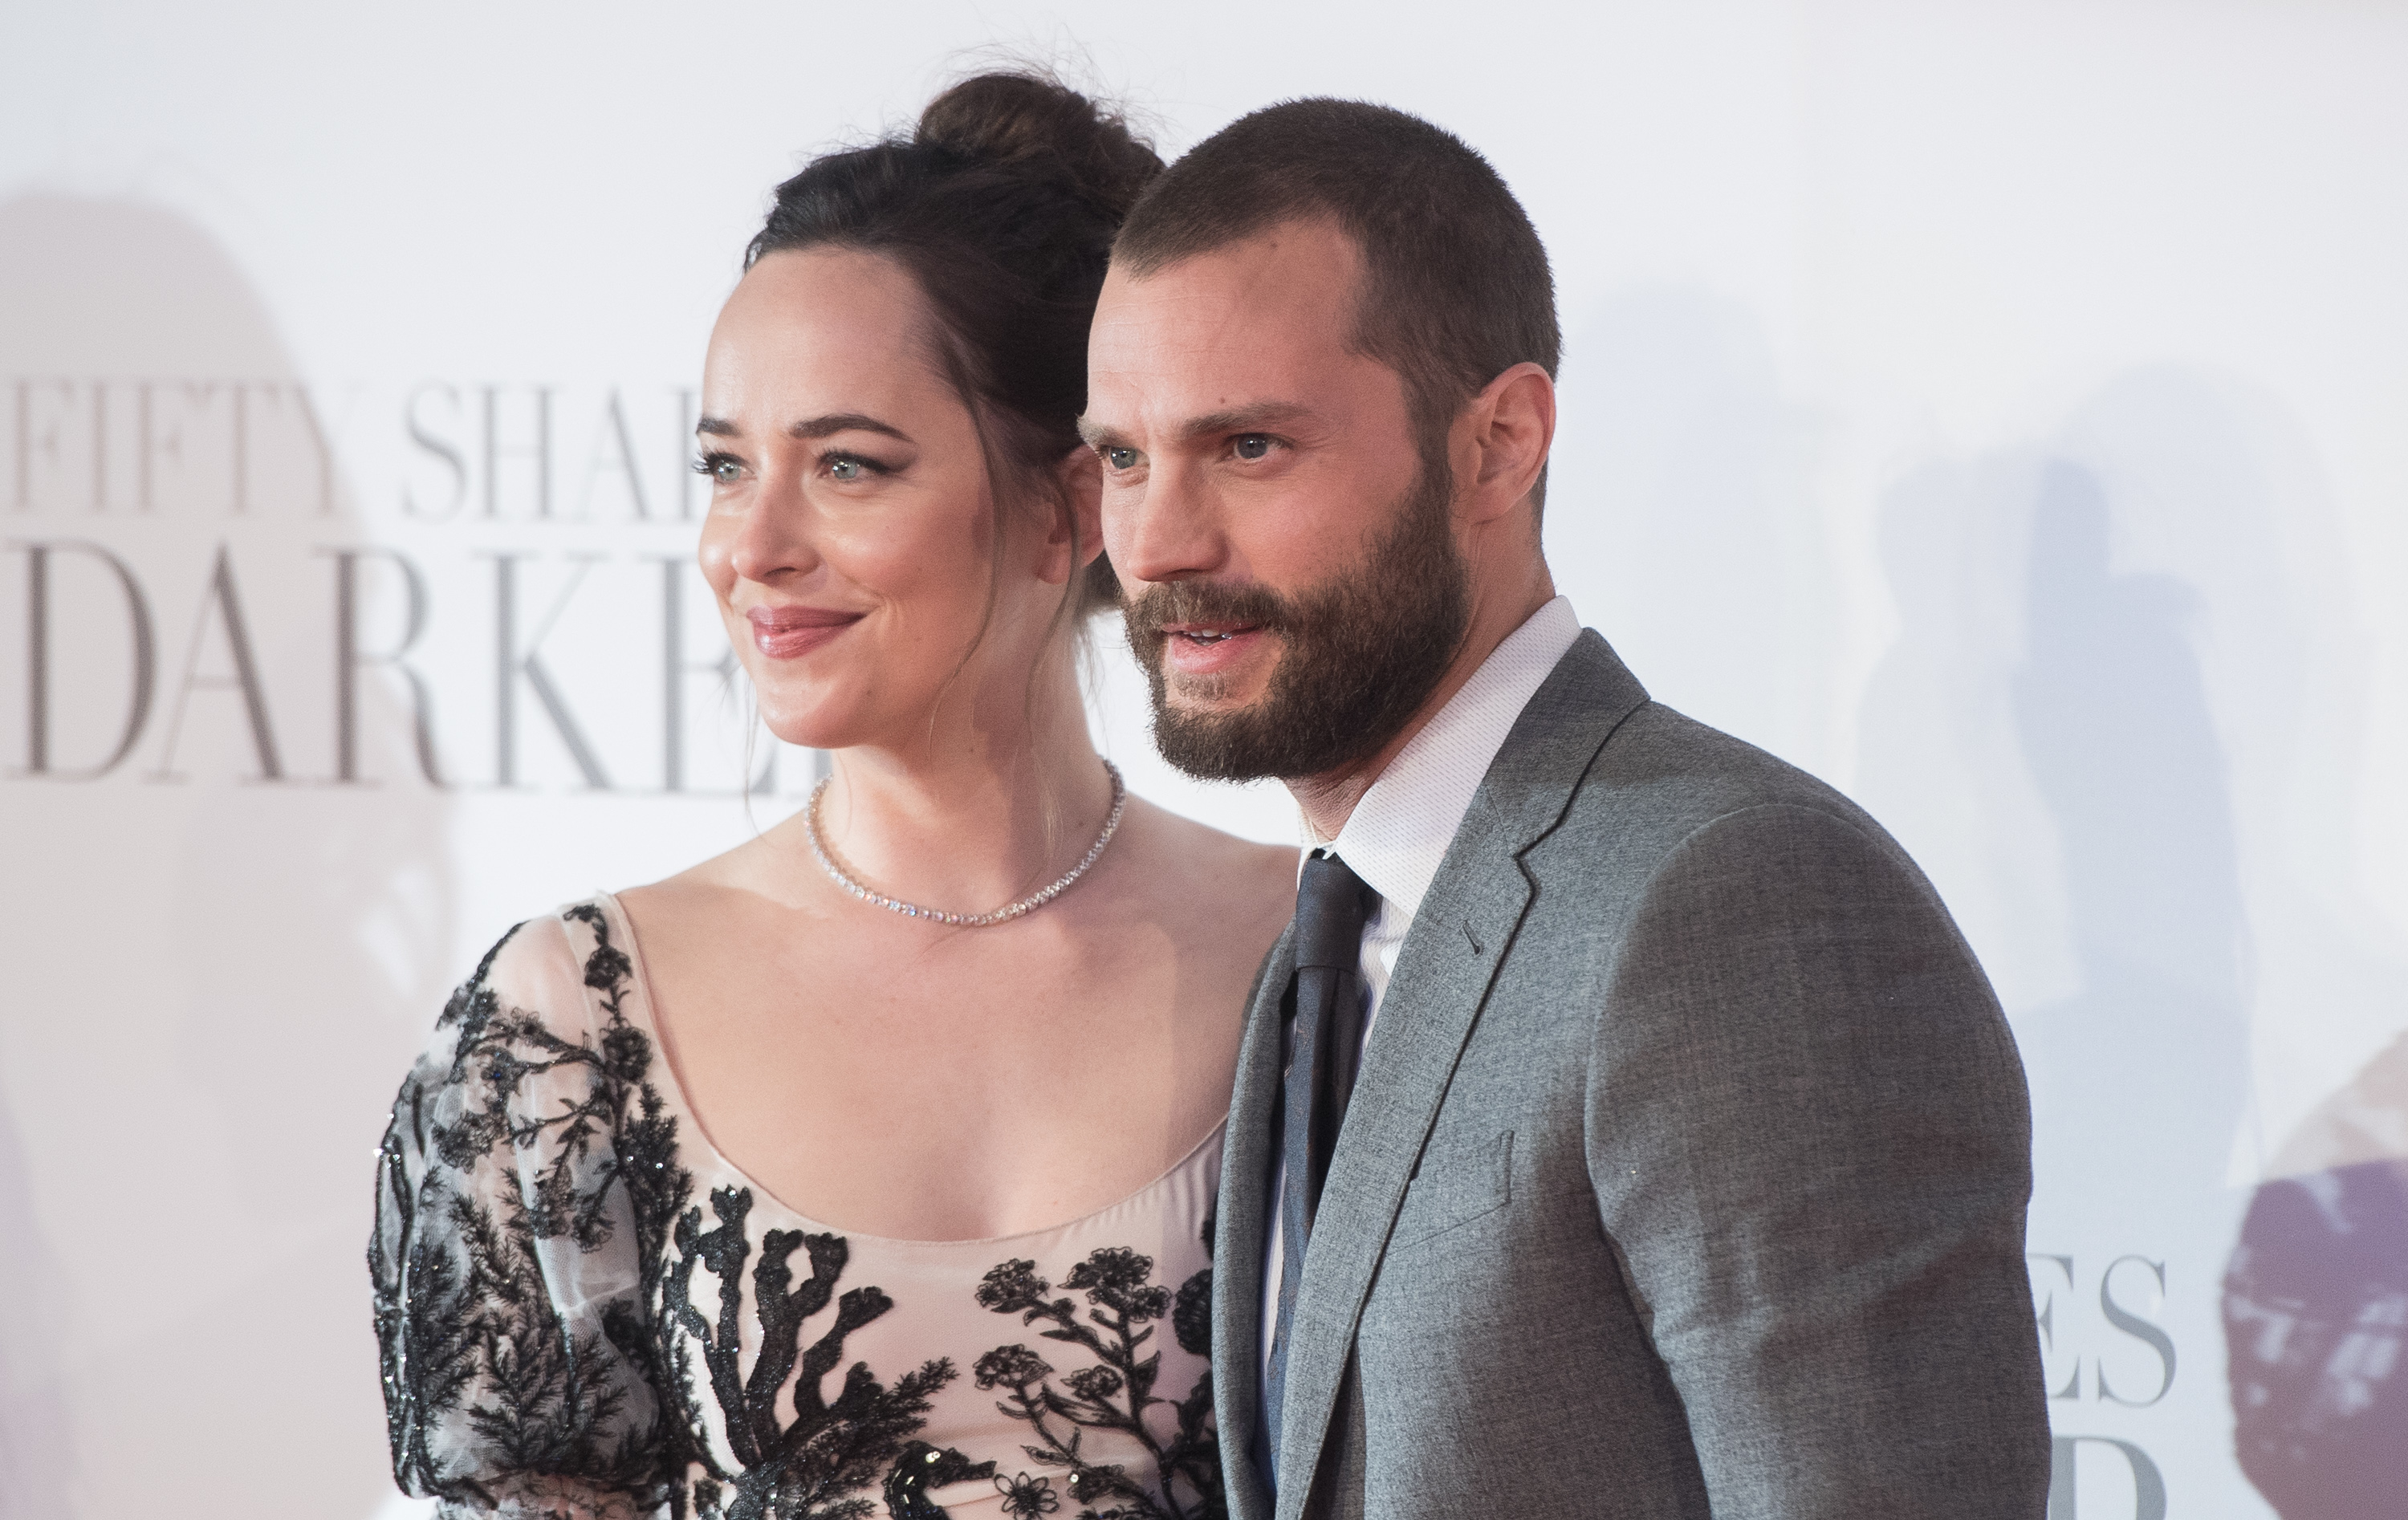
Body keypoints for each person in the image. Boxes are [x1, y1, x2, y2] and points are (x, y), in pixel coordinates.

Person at [1082, 100, 2052, 1518]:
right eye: (1122, 457)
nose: (1159, 543)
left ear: (1501, 441)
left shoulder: (1739, 903)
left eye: (1249, 448)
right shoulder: (1325, 935)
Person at [371, 74, 1296, 1520]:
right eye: (727, 467)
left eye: (847, 466)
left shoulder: (1319, 963)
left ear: (1067, 505)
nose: (754, 544)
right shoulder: (576, 1022)